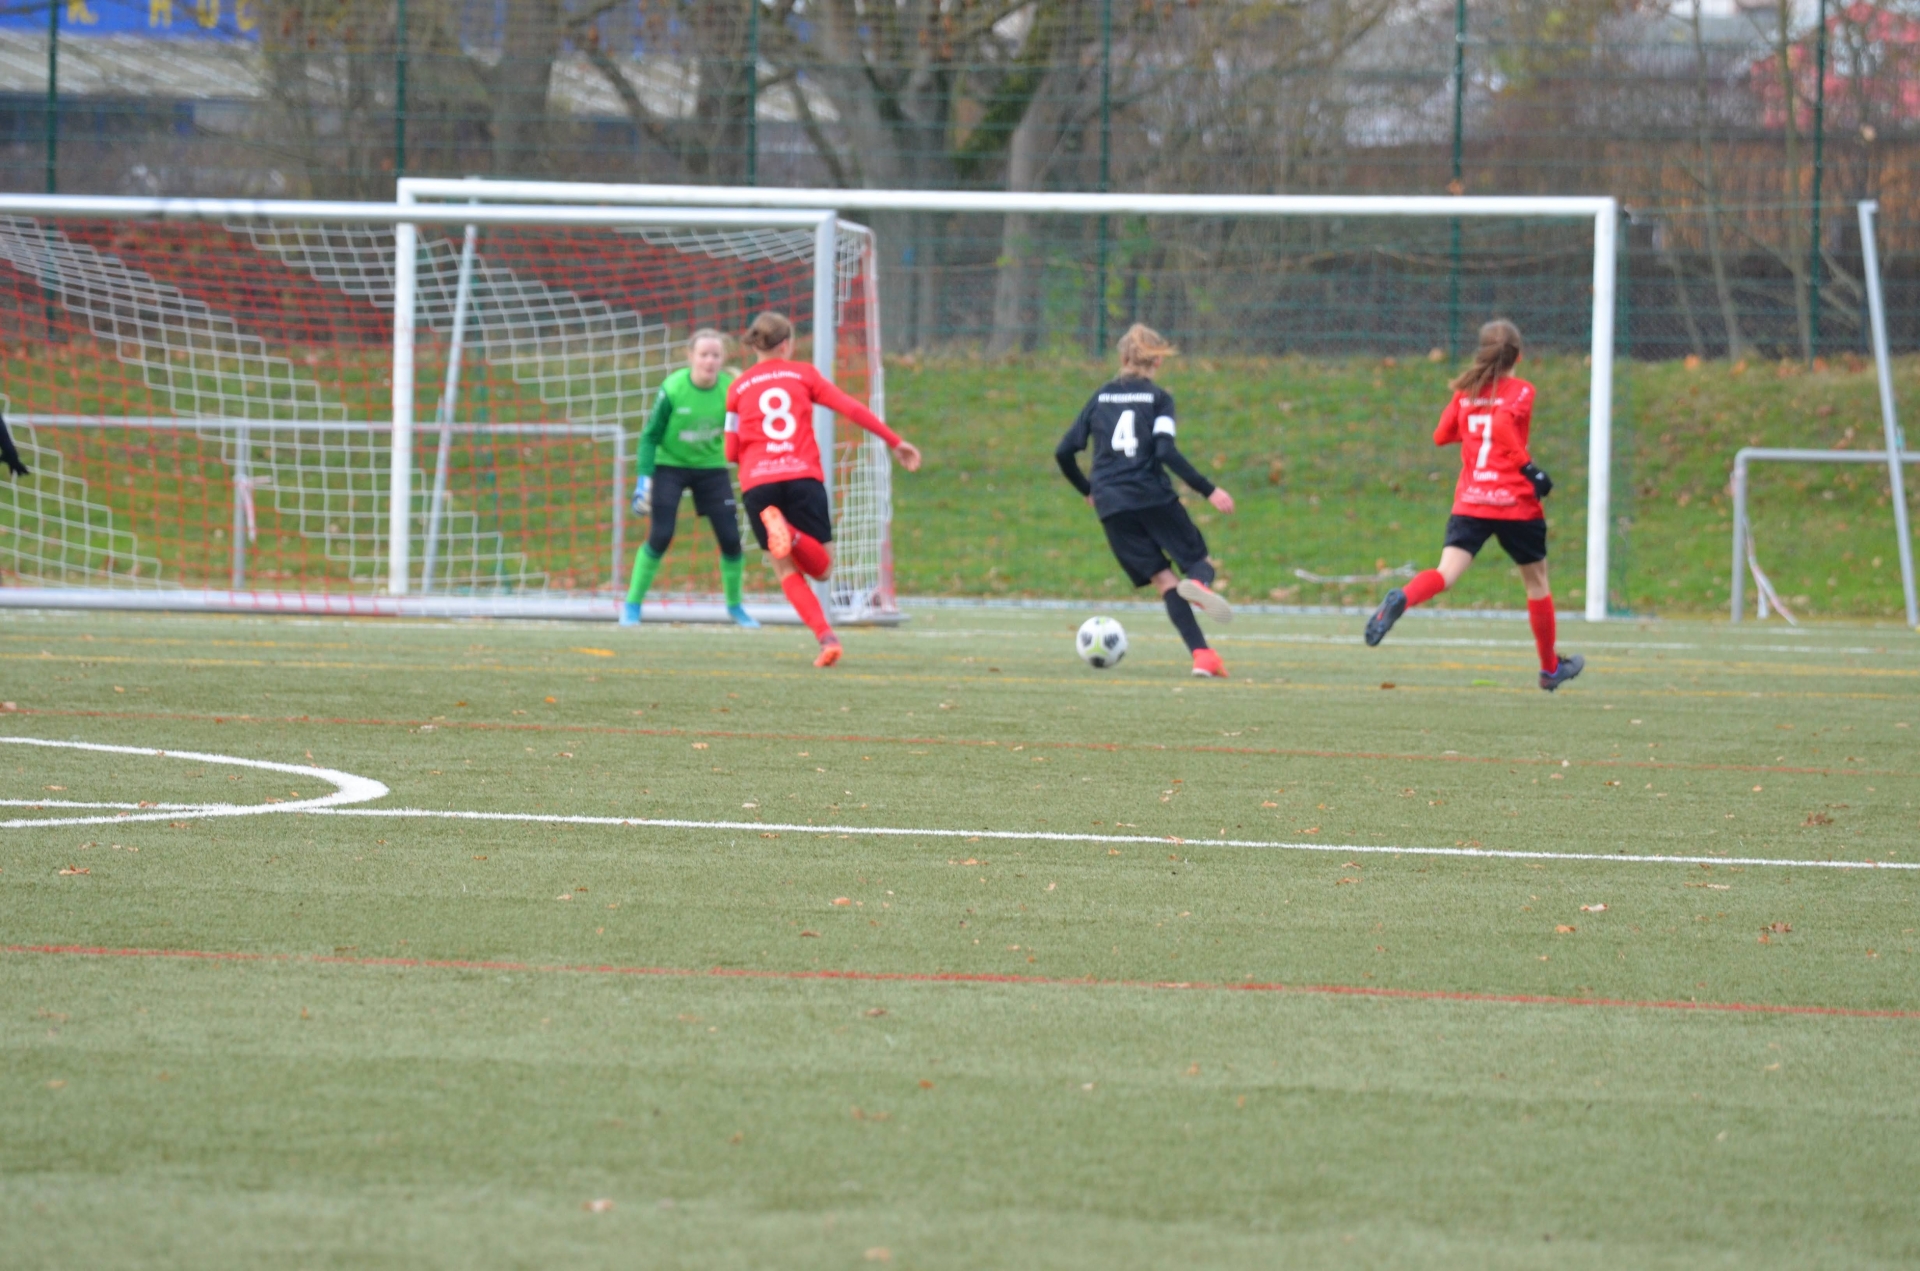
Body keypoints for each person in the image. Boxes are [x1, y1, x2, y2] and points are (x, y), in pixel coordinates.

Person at [1364, 318, 1584, 692]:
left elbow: (1441, 435)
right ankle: (1550, 669)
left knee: (1445, 573)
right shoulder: (1522, 390)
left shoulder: (1465, 392)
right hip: (1514, 503)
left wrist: (1471, 426)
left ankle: (1404, 597)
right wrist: (1529, 468)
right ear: (1519, 355)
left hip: (1471, 501)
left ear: (1482, 353)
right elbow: (1501, 424)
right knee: (1537, 582)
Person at [725, 311, 921, 667]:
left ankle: (825, 637)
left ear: (755, 345)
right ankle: (793, 537)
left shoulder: (737, 388)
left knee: (786, 571)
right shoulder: (804, 374)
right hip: (802, 477)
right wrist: (895, 441)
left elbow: (729, 451)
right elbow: (850, 407)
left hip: (759, 485)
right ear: (786, 344)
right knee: (823, 570)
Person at [1055, 323, 1236, 678]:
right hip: (1150, 493)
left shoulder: (1100, 397)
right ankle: (1199, 586)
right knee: (1198, 562)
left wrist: (1087, 488)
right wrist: (1209, 489)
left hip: (1111, 503)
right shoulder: (1158, 399)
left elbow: (1064, 451)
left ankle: (1203, 656)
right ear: (1158, 362)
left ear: (1123, 358)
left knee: (1165, 582)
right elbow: (1165, 451)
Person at [621, 329, 757, 627]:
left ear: (723, 358)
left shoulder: (731, 389)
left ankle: (735, 607)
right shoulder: (673, 388)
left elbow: (746, 429)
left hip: (711, 468)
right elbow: (649, 437)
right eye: (704, 354)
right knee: (661, 535)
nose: (710, 361)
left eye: (715, 355)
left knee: (731, 539)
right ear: (690, 356)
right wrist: (644, 481)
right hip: (669, 466)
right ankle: (632, 604)